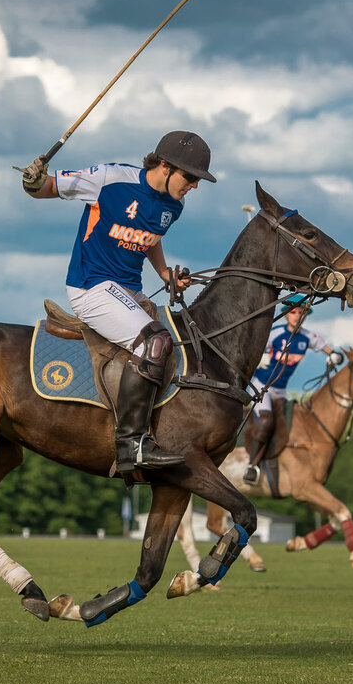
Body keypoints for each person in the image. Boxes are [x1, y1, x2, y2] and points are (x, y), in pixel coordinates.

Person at [21, 131, 216, 473]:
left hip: (130, 291)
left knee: (182, 341)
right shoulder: (111, 179)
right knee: (155, 341)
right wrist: (32, 181)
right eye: (190, 177)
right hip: (91, 286)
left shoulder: (175, 204)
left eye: (198, 180)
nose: (195, 187)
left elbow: (150, 236)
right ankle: (130, 445)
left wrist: (165, 273)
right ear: (166, 166)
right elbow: (46, 189)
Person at [244, 295, 344, 484]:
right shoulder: (274, 333)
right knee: (266, 421)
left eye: (301, 312)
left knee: (294, 421)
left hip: (282, 390)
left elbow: (328, 350)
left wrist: (334, 357)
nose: (297, 316)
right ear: (286, 315)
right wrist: (259, 358)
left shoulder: (307, 337)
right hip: (261, 387)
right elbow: (251, 351)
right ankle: (252, 465)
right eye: (293, 312)